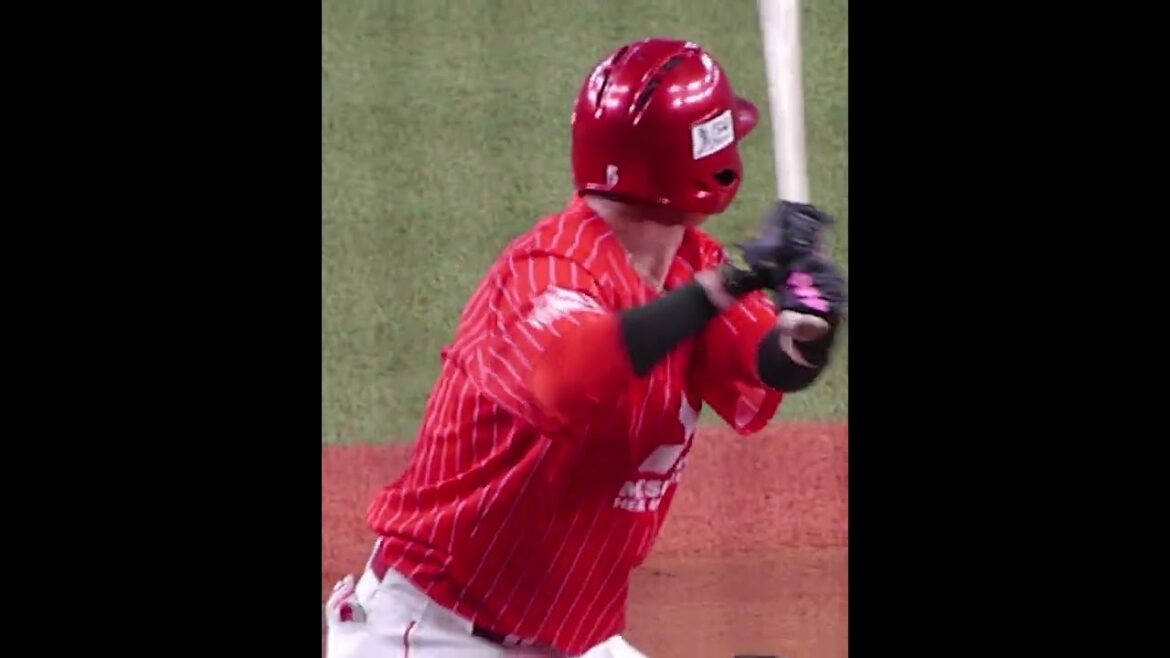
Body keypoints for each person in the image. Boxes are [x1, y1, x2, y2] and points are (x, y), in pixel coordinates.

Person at [324, 36, 847, 658]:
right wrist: (734, 279)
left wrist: (810, 327)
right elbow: (569, 374)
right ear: (712, 166)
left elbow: (772, 365)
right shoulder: (547, 271)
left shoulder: (688, 265)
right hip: (433, 634)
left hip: (563, 638)